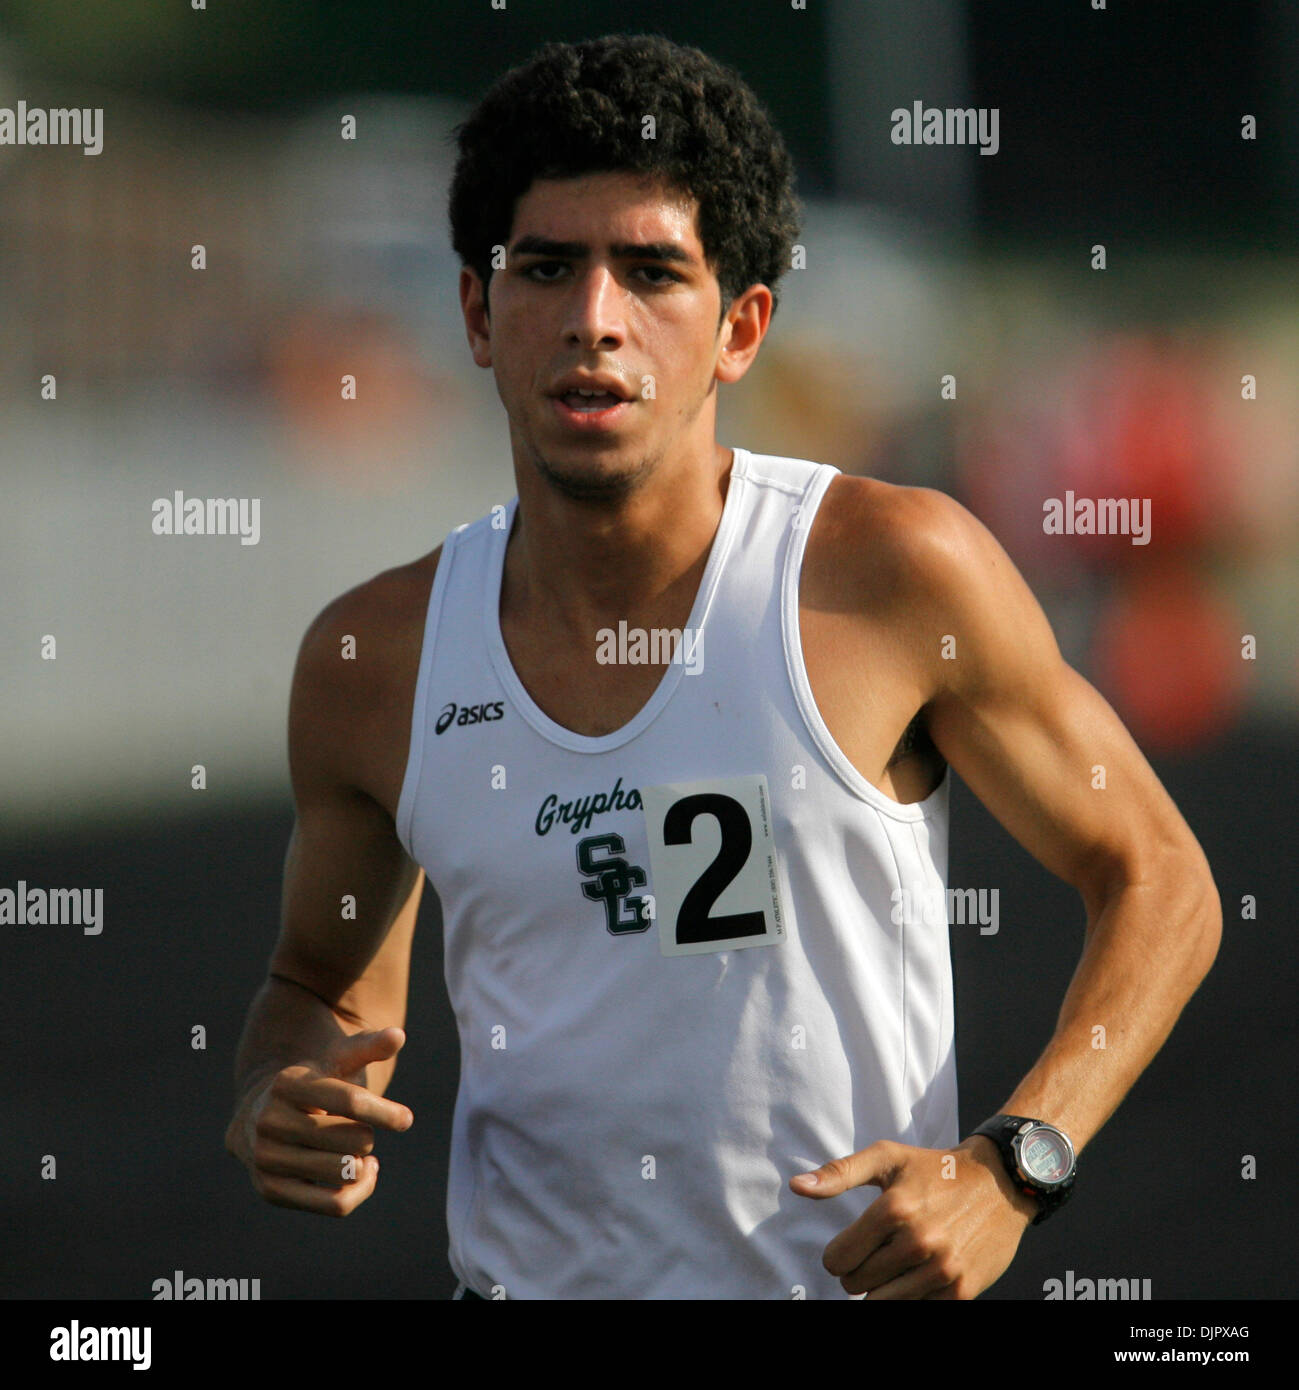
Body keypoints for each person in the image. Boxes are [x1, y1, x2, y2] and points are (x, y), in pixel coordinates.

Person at [224, 33, 1221, 1300]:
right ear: (478, 314)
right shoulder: (374, 659)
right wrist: (280, 1091)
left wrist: (1014, 1163)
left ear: (742, 327)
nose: (595, 320)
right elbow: (315, 986)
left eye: (651, 272)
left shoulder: (893, 571)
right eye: (546, 268)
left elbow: (1161, 879)